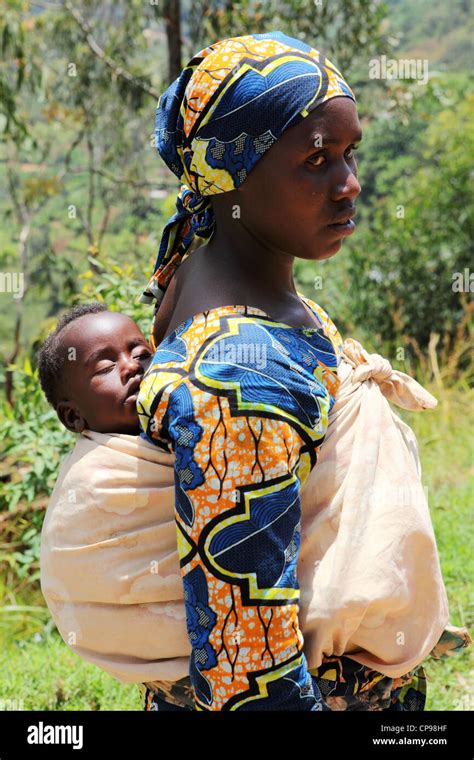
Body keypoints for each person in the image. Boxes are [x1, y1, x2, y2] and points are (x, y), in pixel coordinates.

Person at [135, 30, 470, 712]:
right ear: (231, 175)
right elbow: (246, 672)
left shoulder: (259, 297)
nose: (349, 186)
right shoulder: (236, 376)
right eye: (315, 160)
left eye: (350, 154)